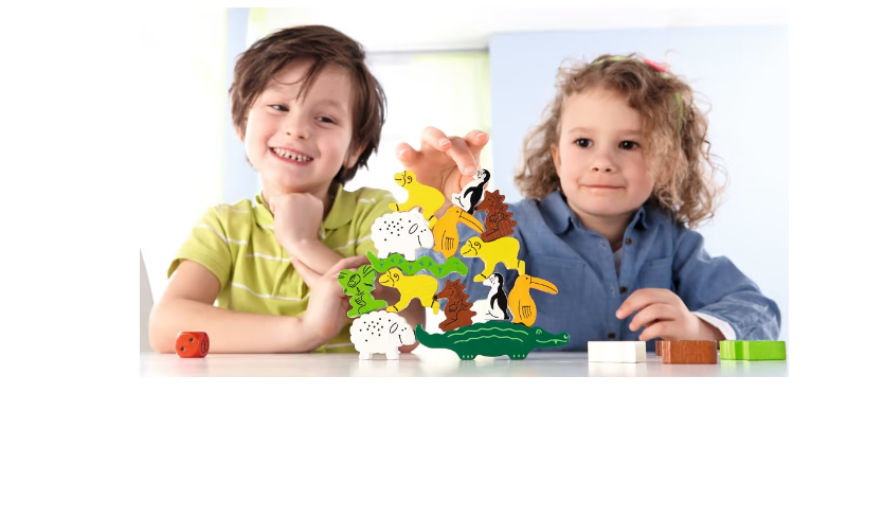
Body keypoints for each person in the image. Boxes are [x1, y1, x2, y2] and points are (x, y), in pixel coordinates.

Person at [397, 54, 781, 350]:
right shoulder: (513, 229)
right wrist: (446, 211)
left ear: (666, 166)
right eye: (584, 142)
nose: (602, 162)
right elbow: (448, 295)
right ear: (558, 159)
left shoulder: (673, 242)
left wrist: (699, 329)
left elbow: (760, 313)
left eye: (628, 144)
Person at [149, 26, 424, 354]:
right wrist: (304, 331)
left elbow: (408, 327)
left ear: (354, 149)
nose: (297, 129)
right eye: (279, 107)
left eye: (325, 118)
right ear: (242, 123)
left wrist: (304, 243)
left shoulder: (374, 213)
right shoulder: (225, 227)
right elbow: (166, 327)